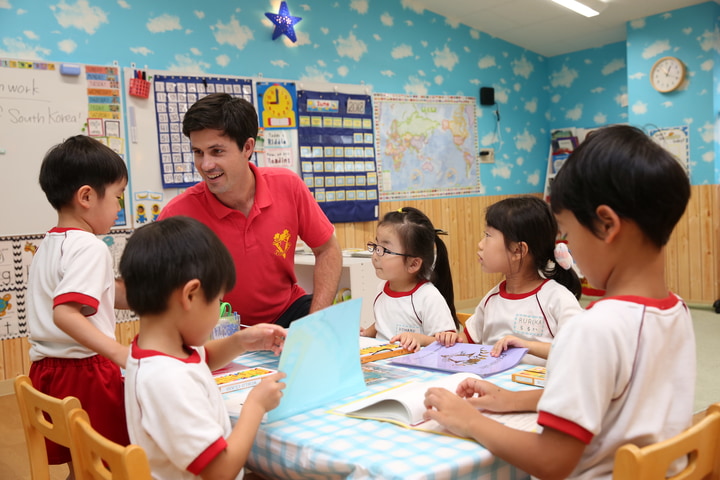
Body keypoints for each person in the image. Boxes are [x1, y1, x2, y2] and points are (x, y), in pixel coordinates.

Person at [424, 124, 696, 479]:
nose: (565, 248)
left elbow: (551, 461)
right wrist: (511, 400)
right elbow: (612, 400)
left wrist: (470, 421)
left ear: (606, 225)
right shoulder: (676, 309)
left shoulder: (592, 329)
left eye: (567, 232)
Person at [121, 216, 287, 480]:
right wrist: (255, 406)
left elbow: (202, 358)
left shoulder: (156, 350)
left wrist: (240, 341)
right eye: (218, 301)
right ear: (190, 295)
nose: (218, 310)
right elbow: (220, 471)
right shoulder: (168, 380)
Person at [158, 93, 342, 327]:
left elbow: (328, 249)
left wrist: (317, 320)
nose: (205, 165)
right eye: (198, 152)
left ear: (247, 147)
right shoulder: (178, 214)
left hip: (288, 314)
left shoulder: (288, 185)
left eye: (217, 151)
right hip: (219, 328)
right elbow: (157, 287)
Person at [26, 135, 131, 472]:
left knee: (82, 464)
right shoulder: (90, 247)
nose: (119, 208)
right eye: (117, 198)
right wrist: (119, 354)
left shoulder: (50, 243)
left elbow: (99, 294)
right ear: (87, 196)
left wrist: (152, 298)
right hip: (87, 374)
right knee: (110, 464)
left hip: (48, 371)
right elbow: (66, 312)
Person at [464, 195, 583, 365]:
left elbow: (577, 350)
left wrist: (527, 346)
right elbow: (468, 339)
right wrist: (442, 338)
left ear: (518, 250)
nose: (480, 244)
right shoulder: (492, 298)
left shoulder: (557, 299)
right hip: (493, 387)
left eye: (488, 235)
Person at [360, 207, 459, 352]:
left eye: (384, 250)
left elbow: (449, 343)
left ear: (413, 264)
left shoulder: (428, 297)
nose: (375, 255)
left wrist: (420, 339)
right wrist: (366, 333)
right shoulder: (382, 288)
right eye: (376, 246)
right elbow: (385, 322)